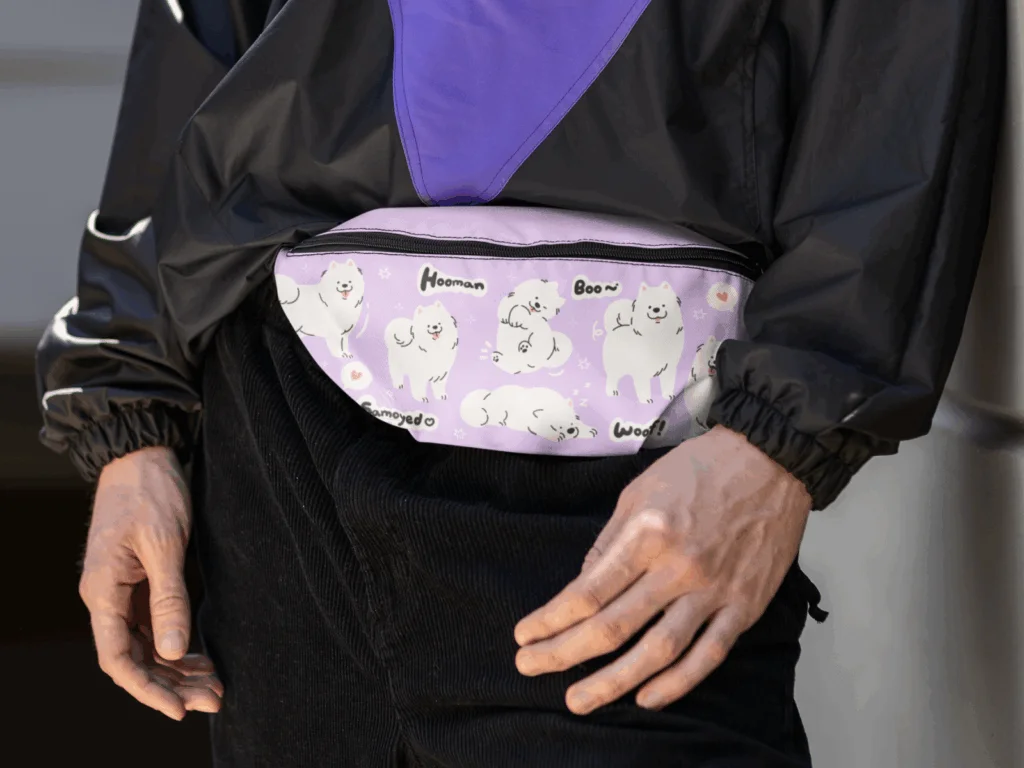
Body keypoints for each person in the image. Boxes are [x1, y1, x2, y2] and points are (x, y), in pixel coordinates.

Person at [36, 1, 1005, 765]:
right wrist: (134, 410)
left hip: (621, 460)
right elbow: (202, 35)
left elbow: (900, 68)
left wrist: (777, 449)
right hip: (280, 408)